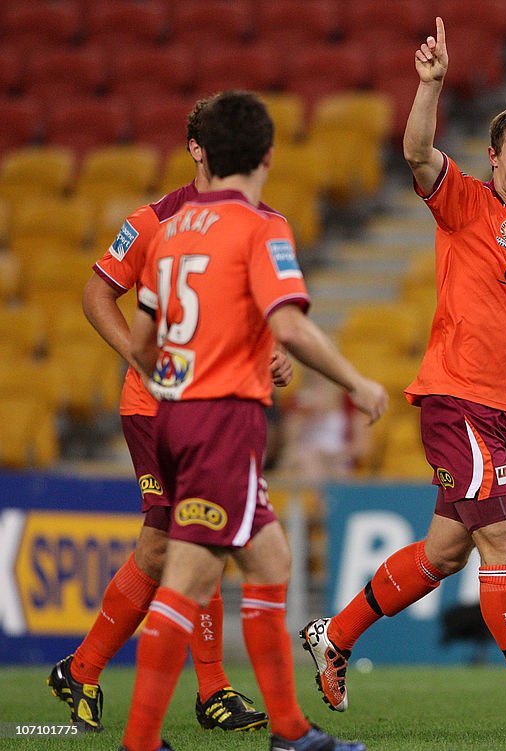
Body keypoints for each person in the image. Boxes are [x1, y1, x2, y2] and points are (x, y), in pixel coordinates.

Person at [298, 17, 506, 734]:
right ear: (492, 158)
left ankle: (332, 636)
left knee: (445, 552)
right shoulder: (465, 204)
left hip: (503, 408)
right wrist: (429, 85)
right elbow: (416, 150)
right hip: (456, 398)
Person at [121, 90, 387, 751]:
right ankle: (140, 741)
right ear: (269, 154)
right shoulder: (260, 226)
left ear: (204, 154)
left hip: (174, 417)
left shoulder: (172, 228)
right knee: (187, 580)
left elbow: (143, 339)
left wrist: (186, 364)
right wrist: (355, 381)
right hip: (223, 423)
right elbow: (289, 324)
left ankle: (291, 730)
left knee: (270, 559)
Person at [47, 95, 282, 734]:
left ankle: (86, 671)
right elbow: (98, 291)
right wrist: (138, 355)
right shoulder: (156, 219)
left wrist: (275, 354)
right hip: (155, 406)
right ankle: (203, 690)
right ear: (195, 149)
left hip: (219, 404)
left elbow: (257, 308)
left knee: (179, 541)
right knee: (179, 538)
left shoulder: (260, 220)